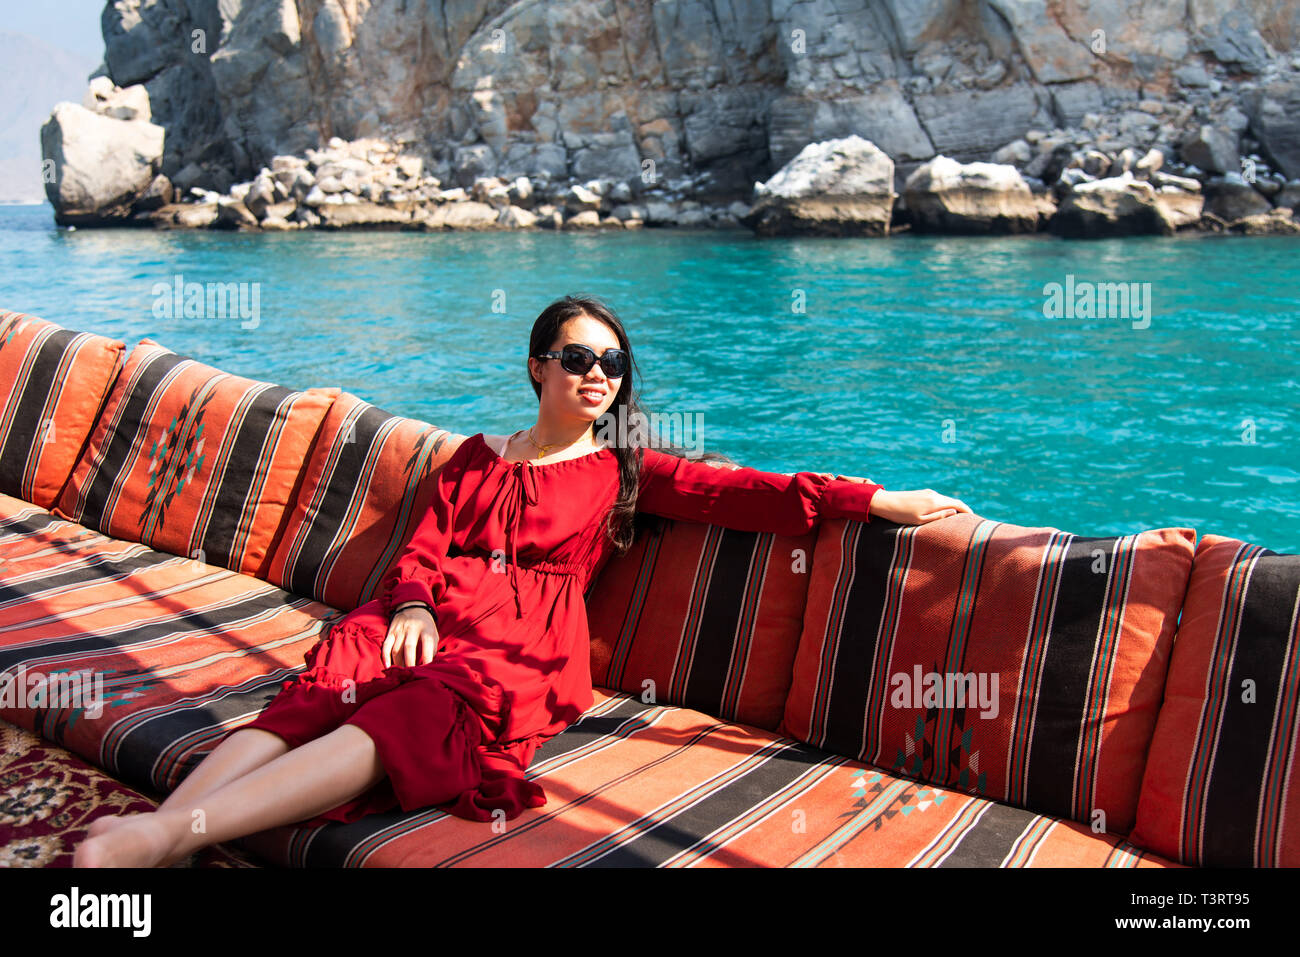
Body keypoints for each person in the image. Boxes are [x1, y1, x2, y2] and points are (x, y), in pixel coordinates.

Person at [73, 295, 970, 867]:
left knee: (405, 714)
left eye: (613, 365)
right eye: (579, 358)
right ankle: (169, 834)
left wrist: (880, 498)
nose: (598, 376)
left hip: (519, 646)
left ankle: (161, 832)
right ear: (539, 364)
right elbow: (422, 545)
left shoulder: (627, 466)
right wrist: (415, 601)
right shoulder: (475, 456)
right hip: (424, 614)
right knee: (313, 697)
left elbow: (750, 493)